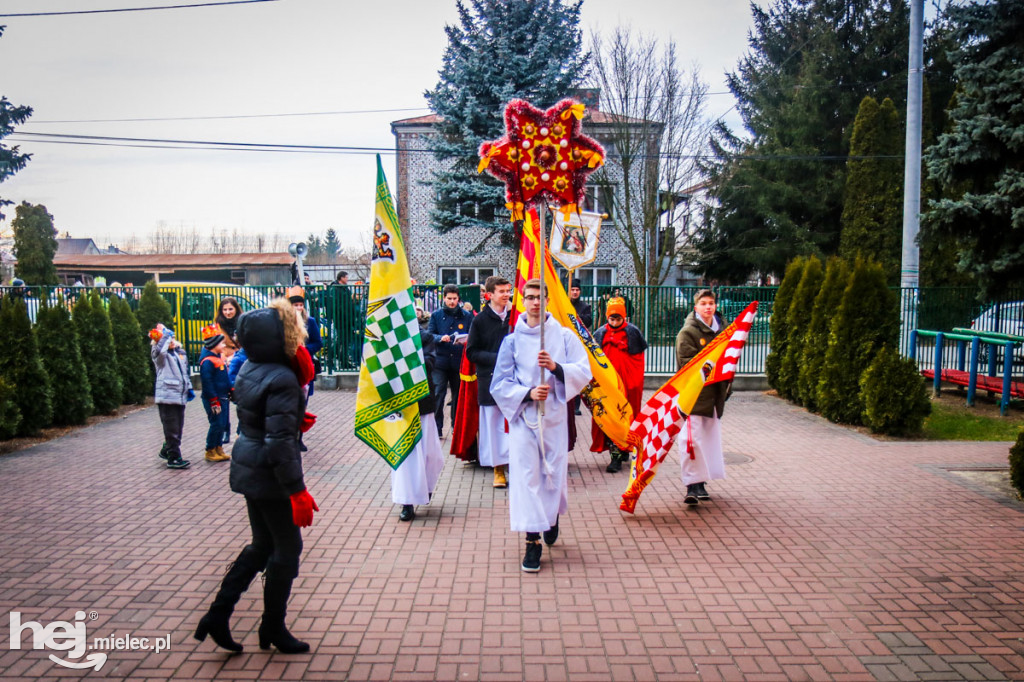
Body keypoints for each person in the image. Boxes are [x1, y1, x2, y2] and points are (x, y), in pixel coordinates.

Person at [194, 298, 319, 655]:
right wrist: (297, 491)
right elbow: (279, 443)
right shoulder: (280, 375)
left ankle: (218, 616)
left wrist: (293, 417)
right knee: (287, 548)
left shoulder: (252, 366)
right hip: (269, 472)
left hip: (251, 463)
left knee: (263, 545)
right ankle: (272, 627)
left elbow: (259, 415)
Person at [491, 278, 591, 573]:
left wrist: (556, 369)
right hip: (525, 417)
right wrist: (527, 393)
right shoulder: (511, 341)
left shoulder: (563, 337)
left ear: (548, 301)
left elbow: (583, 370)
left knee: (552, 473)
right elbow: (500, 383)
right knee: (526, 476)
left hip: (555, 417)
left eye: (540, 297)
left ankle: (551, 516)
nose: (535, 302)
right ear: (522, 300)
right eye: (530, 297)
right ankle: (532, 540)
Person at [674, 288, 731, 506]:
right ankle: (692, 483)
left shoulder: (723, 330)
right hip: (694, 396)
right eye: (704, 303)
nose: (708, 307)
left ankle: (702, 481)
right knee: (690, 440)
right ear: (696, 307)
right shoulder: (687, 333)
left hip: (714, 395)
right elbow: (688, 365)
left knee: (707, 441)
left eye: (711, 303)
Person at [391, 332, 445, 522]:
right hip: (400, 405)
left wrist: (406, 354)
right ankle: (407, 502)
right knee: (405, 454)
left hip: (422, 402)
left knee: (429, 453)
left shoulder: (425, 338)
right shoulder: (388, 336)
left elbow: (429, 363)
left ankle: (426, 487)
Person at [590, 297, 647, 473]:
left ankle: (624, 448)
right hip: (608, 386)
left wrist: (633, 384)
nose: (614, 322)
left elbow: (637, 361)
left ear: (624, 317)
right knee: (610, 418)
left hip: (627, 385)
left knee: (626, 417)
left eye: (618, 319)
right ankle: (615, 455)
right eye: (612, 319)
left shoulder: (633, 332)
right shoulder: (600, 333)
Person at [465, 276, 512, 488]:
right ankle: (498, 469)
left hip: (514, 380)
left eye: (508, 291)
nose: (506, 295)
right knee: (493, 425)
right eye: (501, 291)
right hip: (490, 380)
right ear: (489, 295)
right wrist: (498, 358)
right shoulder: (480, 320)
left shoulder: (516, 316)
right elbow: (471, 351)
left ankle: (515, 463)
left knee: (515, 423)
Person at [427, 284, 474, 437]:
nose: (452, 302)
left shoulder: (467, 316)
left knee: (458, 395)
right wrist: (441, 338)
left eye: (454, 299)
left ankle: (456, 426)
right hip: (440, 361)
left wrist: (465, 340)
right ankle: (437, 427)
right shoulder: (436, 315)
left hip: (459, 361)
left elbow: (473, 334)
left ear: (458, 299)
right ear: (444, 298)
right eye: (449, 299)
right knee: (438, 393)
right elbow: (429, 335)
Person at [150, 323, 194, 470]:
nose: (172, 341)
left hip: (179, 396)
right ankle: (174, 457)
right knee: (171, 428)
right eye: (169, 339)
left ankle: (167, 449)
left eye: (173, 338)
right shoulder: (160, 356)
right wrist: (164, 336)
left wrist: (189, 388)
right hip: (167, 396)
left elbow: (185, 373)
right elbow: (160, 351)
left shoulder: (179, 353)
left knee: (178, 427)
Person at [200, 325, 232, 463]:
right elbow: (207, 382)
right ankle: (210, 449)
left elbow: (225, 378)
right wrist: (213, 400)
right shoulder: (208, 361)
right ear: (213, 344)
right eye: (221, 343)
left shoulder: (219, 358)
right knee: (216, 424)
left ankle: (219, 447)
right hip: (215, 399)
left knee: (223, 423)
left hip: (223, 397)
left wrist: (231, 389)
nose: (224, 345)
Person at [216, 297, 241, 444]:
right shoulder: (218, 326)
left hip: (240, 362)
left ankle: (240, 429)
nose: (228, 312)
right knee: (224, 398)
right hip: (225, 363)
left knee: (241, 397)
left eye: (230, 309)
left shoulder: (242, 322)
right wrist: (226, 357)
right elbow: (216, 346)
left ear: (236, 309)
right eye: (225, 309)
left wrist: (237, 356)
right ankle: (226, 430)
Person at [568, 279, 592, 415]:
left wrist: (574, 317)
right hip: (565, 344)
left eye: (577, 290)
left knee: (576, 374)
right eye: (573, 290)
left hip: (579, 344)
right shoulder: (564, 304)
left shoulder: (585, 306)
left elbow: (587, 321)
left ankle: (576, 405)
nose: (575, 292)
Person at [329, 271, 356, 369]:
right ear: (341, 278)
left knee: (345, 342)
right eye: (346, 277)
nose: (347, 279)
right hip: (341, 319)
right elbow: (337, 305)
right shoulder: (335, 289)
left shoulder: (345, 289)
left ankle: (343, 361)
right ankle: (330, 359)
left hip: (347, 319)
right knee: (340, 341)